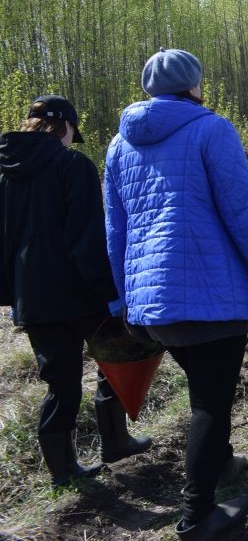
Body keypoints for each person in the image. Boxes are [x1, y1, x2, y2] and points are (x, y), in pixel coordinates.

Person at [104, 49, 248, 539]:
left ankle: (224, 461)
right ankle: (197, 517)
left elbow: (115, 230)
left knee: (205, 390)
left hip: (152, 304)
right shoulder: (213, 129)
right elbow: (242, 217)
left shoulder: (117, 145)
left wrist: (120, 299)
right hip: (210, 298)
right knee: (209, 405)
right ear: (195, 84)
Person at [0, 95, 152, 487]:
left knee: (60, 382)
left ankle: (63, 471)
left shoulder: (4, 173)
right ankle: (115, 442)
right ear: (64, 126)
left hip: (34, 297)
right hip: (80, 291)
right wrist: (111, 294)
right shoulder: (73, 165)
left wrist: (14, 293)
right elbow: (86, 239)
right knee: (114, 356)